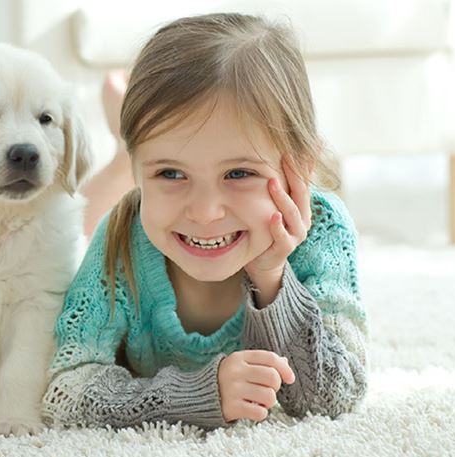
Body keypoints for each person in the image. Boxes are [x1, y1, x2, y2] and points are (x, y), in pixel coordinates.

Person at [41, 12, 368, 429]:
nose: (204, 212)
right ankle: (124, 153)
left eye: (239, 173)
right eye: (170, 173)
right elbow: (64, 390)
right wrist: (195, 394)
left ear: (300, 167)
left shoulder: (324, 230)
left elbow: (336, 398)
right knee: (78, 220)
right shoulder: (120, 240)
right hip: (132, 198)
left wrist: (271, 279)